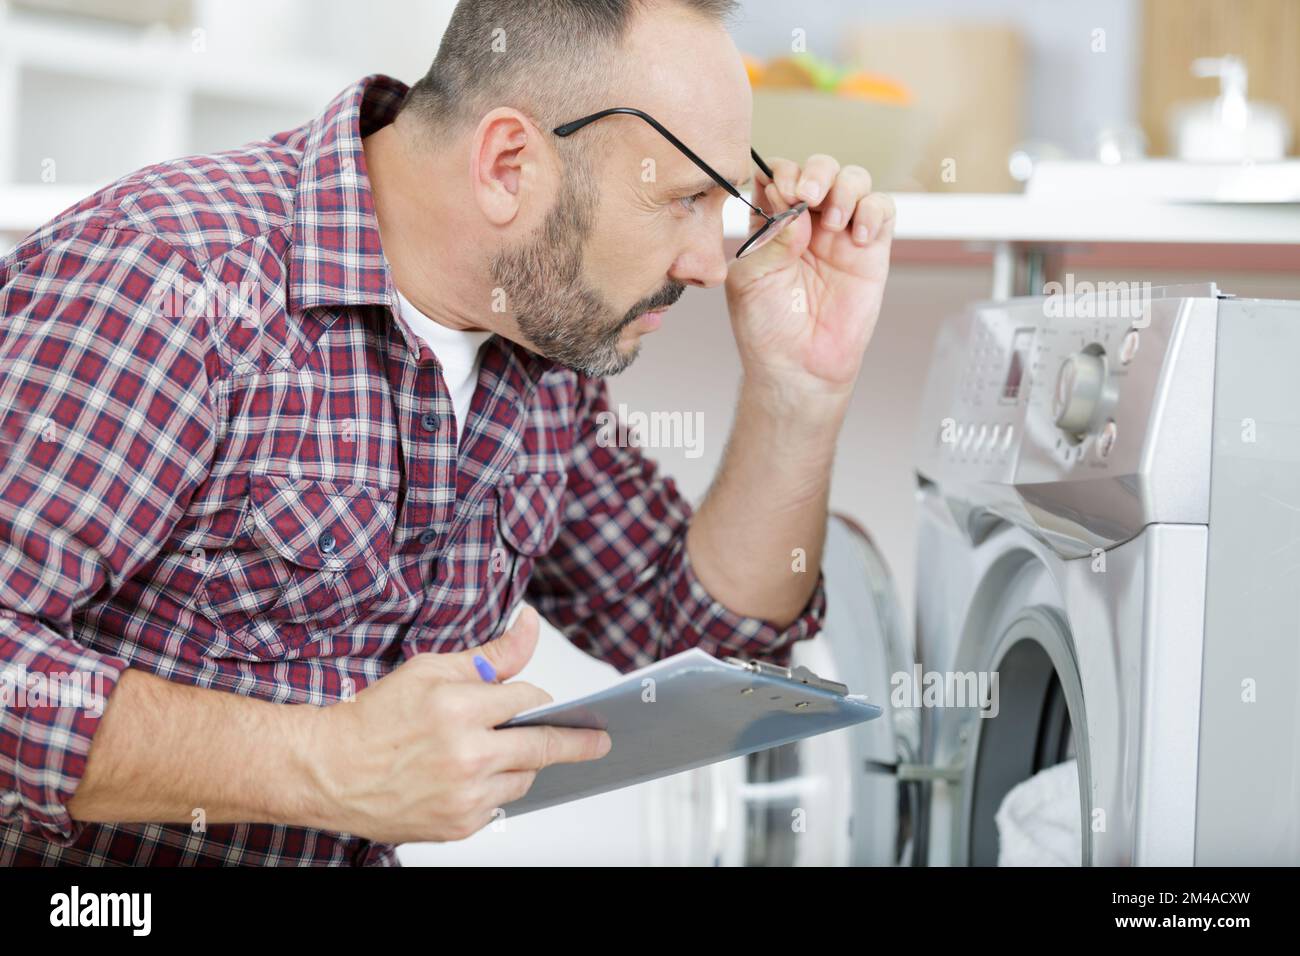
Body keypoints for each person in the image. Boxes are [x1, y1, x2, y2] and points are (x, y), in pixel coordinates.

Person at [0, 0, 894, 865]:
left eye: (722, 203)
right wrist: (320, 764)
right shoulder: (166, 278)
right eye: (682, 199)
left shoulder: (536, 351)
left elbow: (707, 641)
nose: (707, 263)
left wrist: (799, 390)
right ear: (509, 163)